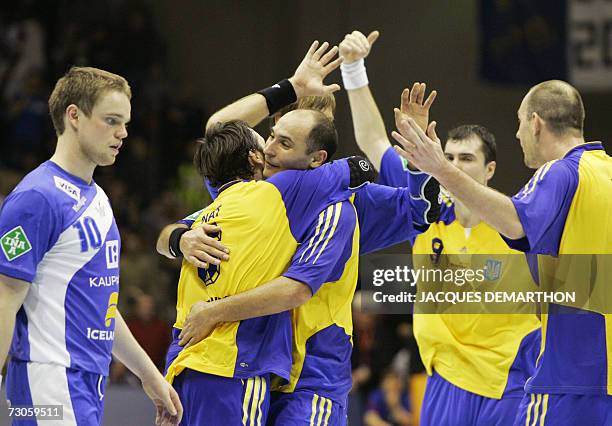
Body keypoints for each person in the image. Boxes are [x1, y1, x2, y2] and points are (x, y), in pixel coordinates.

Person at [159, 39, 438, 425]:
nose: (270, 149)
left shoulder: (345, 204)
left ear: (318, 155)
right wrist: (179, 238)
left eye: (285, 141)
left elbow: (421, 210)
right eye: (272, 133)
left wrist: (422, 156)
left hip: (310, 375)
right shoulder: (253, 186)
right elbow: (218, 132)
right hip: (247, 365)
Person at [341, 30, 541, 425]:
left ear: (490, 170)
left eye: (465, 158)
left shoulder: (518, 220)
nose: (452, 165)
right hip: (445, 378)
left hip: (510, 379)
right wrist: (353, 68)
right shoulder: (426, 206)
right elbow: (373, 140)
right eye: (446, 156)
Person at [392, 80, 612, 425]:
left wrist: (439, 168)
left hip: (567, 372)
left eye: (520, 122)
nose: (517, 133)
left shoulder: (559, 171)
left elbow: (515, 222)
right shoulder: (607, 172)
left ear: (536, 123)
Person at [163, 117, 376, 425]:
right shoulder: (280, 192)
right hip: (234, 364)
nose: (271, 149)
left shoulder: (203, 217)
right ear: (254, 158)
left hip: (182, 365)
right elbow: (362, 168)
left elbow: (215, 127)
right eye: (268, 140)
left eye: (283, 142)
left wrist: (175, 238)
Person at [0, 66, 182, 426]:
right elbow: (5, 297)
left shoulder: (97, 198)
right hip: (47, 382)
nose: (123, 133)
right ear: (74, 116)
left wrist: (149, 374)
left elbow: (102, 309)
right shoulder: (37, 197)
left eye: (126, 123)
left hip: (86, 382)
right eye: (112, 120)